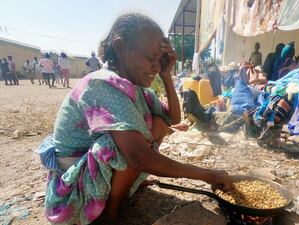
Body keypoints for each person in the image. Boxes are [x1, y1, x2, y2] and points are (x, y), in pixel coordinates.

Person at [37, 13, 233, 225]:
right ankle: (109, 213)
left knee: (157, 123)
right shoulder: (102, 84)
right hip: (74, 185)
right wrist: (208, 175)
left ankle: (119, 192)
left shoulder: (135, 85)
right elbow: (138, 156)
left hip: (92, 169)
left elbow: (171, 119)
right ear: (120, 48)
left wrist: (166, 76)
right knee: (122, 145)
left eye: (160, 61)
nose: (156, 67)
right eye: (151, 59)